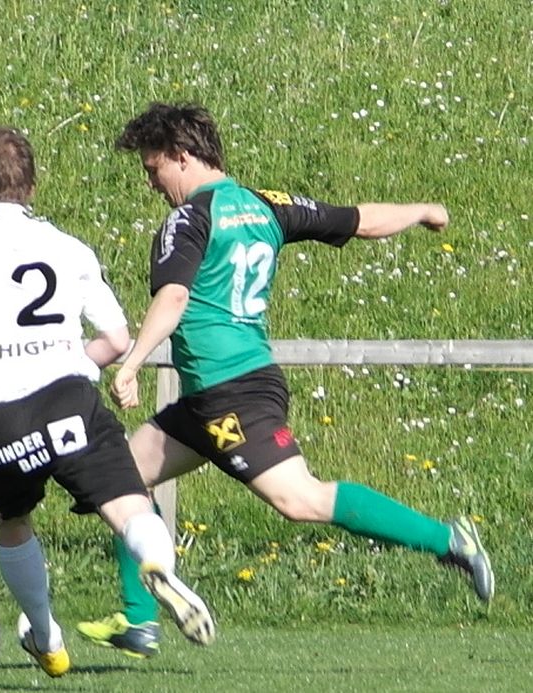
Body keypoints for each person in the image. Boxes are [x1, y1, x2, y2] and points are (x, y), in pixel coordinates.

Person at [76, 102, 494, 657]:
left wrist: (131, 365)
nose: (152, 183)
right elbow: (359, 219)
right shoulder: (266, 204)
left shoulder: (189, 218)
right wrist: (421, 210)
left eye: (154, 168)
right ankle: (139, 621)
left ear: (181, 156)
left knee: (300, 499)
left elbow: (173, 297)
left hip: (230, 392)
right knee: (122, 479)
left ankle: (449, 539)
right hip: (214, 393)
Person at [0, 125, 215, 678]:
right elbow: (115, 339)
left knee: (11, 520)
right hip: (71, 401)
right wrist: (70, 362)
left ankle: (45, 635)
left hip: (2, 418)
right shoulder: (69, 246)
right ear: (32, 186)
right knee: (130, 505)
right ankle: (160, 565)